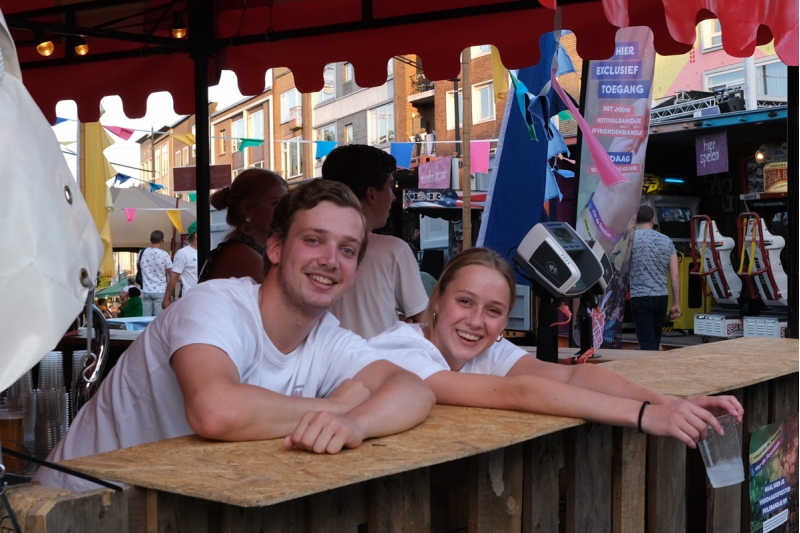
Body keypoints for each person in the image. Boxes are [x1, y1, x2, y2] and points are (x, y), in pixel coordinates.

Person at [35, 180, 435, 492]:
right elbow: (215, 411)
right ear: (275, 248)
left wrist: (357, 424)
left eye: (347, 250)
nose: (330, 260)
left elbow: (414, 390)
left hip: (168, 512)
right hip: (73, 507)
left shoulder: (328, 337)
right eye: (313, 240)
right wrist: (336, 407)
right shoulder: (215, 302)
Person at [368, 247, 743, 449]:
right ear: (436, 299)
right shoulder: (400, 350)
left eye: (493, 311)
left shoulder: (487, 350)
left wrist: (670, 404)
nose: (476, 321)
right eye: (464, 301)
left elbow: (573, 377)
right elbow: (519, 392)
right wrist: (646, 416)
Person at [322, 145, 428, 339]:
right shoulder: (394, 251)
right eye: (390, 186)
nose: (393, 197)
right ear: (371, 194)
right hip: (378, 357)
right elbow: (425, 323)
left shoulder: (310, 252)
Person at [199, 168, 287, 283]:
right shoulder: (238, 252)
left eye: (286, 202)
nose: (285, 209)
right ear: (248, 209)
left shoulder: (252, 247)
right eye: (276, 203)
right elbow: (285, 291)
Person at [629, 205, 681, 350]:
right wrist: (676, 303)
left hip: (640, 297)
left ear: (635, 220)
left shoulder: (630, 240)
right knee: (655, 342)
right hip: (661, 298)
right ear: (653, 220)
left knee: (647, 345)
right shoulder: (666, 241)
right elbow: (675, 275)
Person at [162, 221, 199, 309]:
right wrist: (166, 298)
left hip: (207, 298)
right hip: (189, 299)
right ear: (196, 235)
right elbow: (174, 276)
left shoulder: (210, 251)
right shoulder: (183, 253)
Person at [139, 230, 172, 317]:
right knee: (159, 319)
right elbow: (172, 273)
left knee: (146, 319)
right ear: (162, 241)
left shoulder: (142, 253)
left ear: (150, 240)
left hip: (146, 290)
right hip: (160, 290)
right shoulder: (164, 254)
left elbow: (139, 266)